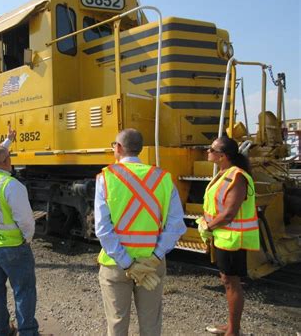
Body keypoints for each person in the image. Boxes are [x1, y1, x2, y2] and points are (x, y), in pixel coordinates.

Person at [94, 128, 187, 336]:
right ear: (140, 149)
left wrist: (127, 263)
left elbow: (102, 229)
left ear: (118, 148)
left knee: (117, 325)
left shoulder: (105, 178)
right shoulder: (163, 179)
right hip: (151, 265)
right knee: (151, 325)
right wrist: (154, 258)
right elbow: (176, 225)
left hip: (116, 266)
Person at [0, 127, 39, 336]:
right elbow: (27, 222)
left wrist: (7, 141)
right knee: (24, 291)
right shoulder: (12, 186)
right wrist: (27, 240)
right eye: (9, 158)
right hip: (13, 248)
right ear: (6, 162)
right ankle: (27, 332)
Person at [198, 136, 259, 336]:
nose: (208, 151)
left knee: (231, 283)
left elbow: (229, 213)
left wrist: (208, 226)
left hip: (233, 239)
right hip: (224, 237)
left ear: (222, 155)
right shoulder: (225, 173)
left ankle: (233, 331)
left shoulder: (237, 177)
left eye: (211, 149)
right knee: (227, 280)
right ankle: (232, 326)